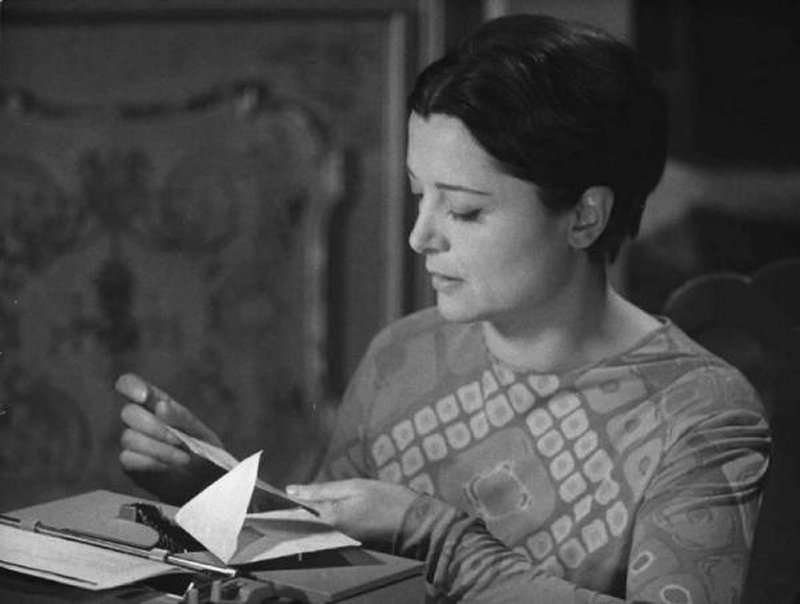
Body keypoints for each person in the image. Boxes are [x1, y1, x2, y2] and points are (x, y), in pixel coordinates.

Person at [118, 14, 770, 603]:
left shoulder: (700, 413)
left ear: (584, 217)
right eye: (418, 195)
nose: (419, 236)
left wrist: (435, 535)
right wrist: (217, 492)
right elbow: (328, 566)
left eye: (463, 210)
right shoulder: (404, 353)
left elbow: (412, 540)